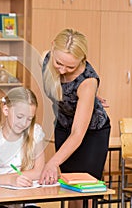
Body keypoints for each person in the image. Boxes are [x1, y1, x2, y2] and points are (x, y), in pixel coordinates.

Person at [40, 29, 111, 207]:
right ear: (52, 48)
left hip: (91, 135)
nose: (63, 70)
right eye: (59, 63)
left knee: (83, 192)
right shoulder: (46, 58)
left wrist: (51, 163)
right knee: (68, 190)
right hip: (64, 126)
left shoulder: (87, 82)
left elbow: (78, 134)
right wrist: (90, 98)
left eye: (70, 67)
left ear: (82, 59)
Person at [0, 87, 45, 187]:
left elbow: (39, 172)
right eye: (19, 117)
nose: (23, 123)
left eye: (29, 119)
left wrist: (5, 178)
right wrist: (11, 180)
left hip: (26, 196)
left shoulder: (35, 133)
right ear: (6, 110)